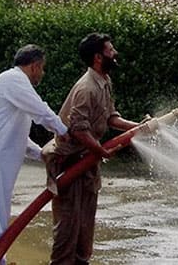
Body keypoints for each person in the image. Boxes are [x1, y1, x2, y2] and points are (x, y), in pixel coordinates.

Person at [43, 33, 141, 265]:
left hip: (87, 162)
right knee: (68, 229)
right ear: (98, 57)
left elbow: (110, 117)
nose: (115, 53)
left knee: (85, 230)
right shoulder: (86, 88)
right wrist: (100, 150)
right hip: (69, 164)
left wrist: (139, 127)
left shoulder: (104, 81)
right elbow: (77, 129)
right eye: (110, 50)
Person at [0, 45, 68, 264]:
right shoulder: (13, 80)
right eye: (42, 68)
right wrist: (66, 132)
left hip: (3, 163)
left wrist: (41, 154)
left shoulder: (10, 84)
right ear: (35, 65)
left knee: (0, 221)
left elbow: (15, 136)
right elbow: (42, 112)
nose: (43, 73)